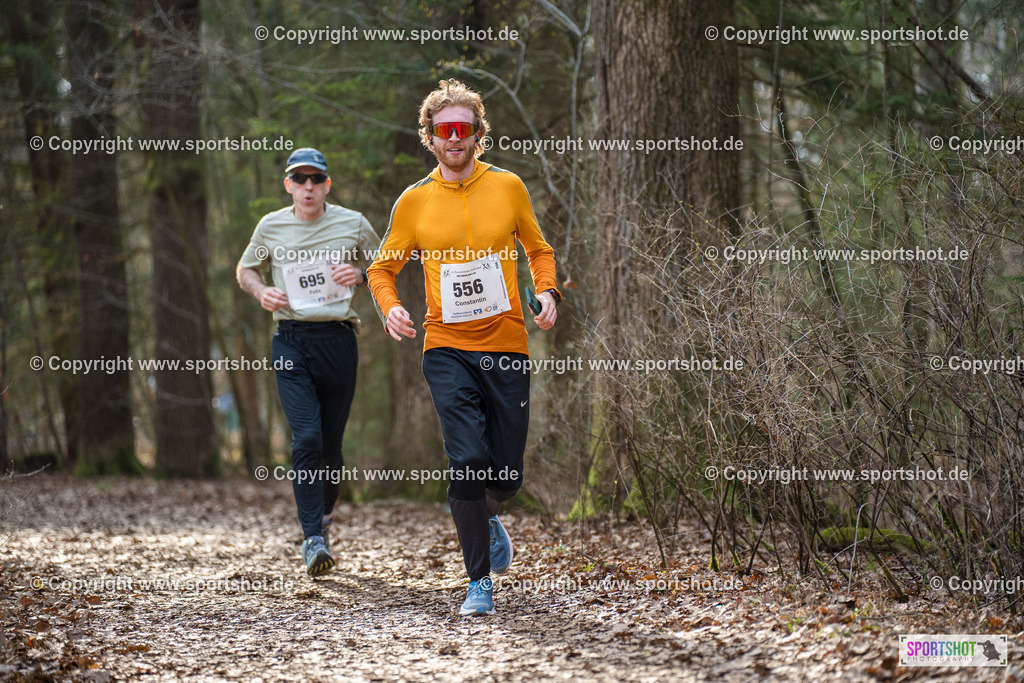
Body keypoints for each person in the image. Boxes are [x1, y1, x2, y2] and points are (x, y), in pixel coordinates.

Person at [367, 80, 561, 615]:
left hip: (507, 346)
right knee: (467, 461)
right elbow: (382, 268)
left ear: (479, 133)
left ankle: (489, 514)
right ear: (429, 137)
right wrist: (391, 308)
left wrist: (547, 290)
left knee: (506, 473)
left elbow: (538, 249)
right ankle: (479, 582)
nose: (455, 139)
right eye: (444, 130)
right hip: (447, 347)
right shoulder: (415, 201)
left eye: (465, 129)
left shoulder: (508, 187)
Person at [237, 147, 379, 576]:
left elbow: (386, 263)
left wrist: (362, 275)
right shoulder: (271, 226)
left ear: (327, 185)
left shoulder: (352, 223)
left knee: (331, 448)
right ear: (288, 186)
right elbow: (245, 270)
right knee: (307, 439)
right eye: (300, 179)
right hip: (291, 341)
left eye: (316, 179)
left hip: (337, 340)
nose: (308, 187)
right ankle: (312, 538)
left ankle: (325, 517)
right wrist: (262, 292)